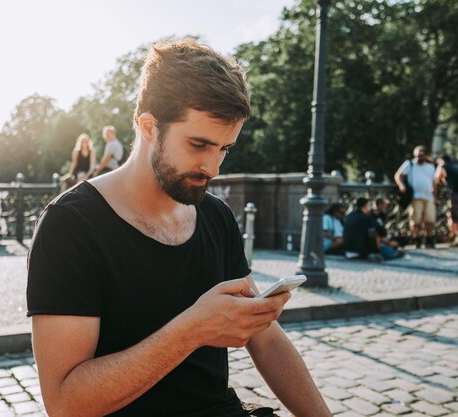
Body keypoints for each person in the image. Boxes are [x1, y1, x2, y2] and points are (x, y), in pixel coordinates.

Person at [27, 39, 331, 417]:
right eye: (199, 144)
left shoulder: (215, 216)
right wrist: (191, 330)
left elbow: (265, 340)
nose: (213, 167)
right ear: (149, 126)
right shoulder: (70, 225)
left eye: (224, 148)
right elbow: (66, 404)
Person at [394, 145, 437, 249]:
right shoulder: (410, 164)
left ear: (425, 156)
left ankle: (429, 239)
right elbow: (398, 175)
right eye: (418, 155)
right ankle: (417, 240)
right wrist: (401, 185)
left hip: (429, 197)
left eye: (421, 155)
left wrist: (435, 196)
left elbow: (434, 182)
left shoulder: (430, 167)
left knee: (429, 220)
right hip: (415, 196)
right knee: (415, 220)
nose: (419, 157)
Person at [343, 197, 401, 261]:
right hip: (361, 251)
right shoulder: (366, 217)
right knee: (377, 236)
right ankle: (391, 253)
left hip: (348, 250)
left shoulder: (349, 216)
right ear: (366, 206)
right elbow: (382, 231)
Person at [435, 154, 458, 246]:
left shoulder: (443, 166)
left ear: (442, 160)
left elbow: (436, 179)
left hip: (456, 194)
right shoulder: (455, 166)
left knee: (456, 217)